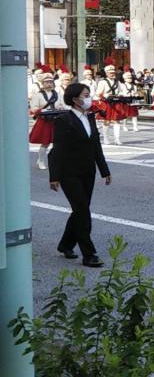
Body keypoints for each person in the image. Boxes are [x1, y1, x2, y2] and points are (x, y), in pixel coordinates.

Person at [48, 82, 112, 267]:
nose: (88, 98)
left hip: (87, 171)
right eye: (85, 95)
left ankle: (65, 244)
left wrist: (104, 170)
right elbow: (57, 150)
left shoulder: (90, 118)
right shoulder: (63, 120)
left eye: (88, 94)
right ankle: (88, 253)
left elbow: (96, 147)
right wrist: (54, 176)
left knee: (79, 210)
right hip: (69, 173)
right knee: (83, 211)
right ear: (75, 99)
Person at [29, 72, 62, 170]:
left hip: (56, 119)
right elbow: (34, 108)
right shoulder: (38, 95)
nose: (49, 84)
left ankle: (56, 161)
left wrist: (61, 107)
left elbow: (64, 105)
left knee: (58, 141)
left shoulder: (58, 94)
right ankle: (41, 160)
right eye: (47, 82)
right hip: (44, 120)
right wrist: (43, 110)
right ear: (43, 83)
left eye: (51, 82)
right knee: (45, 142)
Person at [94, 59, 125, 145]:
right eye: (110, 73)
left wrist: (120, 94)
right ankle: (106, 138)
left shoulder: (117, 82)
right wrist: (105, 95)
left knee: (117, 120)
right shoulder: (102, 82)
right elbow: (98, 93)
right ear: (107, 73)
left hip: (116, 102)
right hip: (106, 103)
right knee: (107, 121)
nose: (112, 74)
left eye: (113, 72)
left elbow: (120, 91)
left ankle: (117, 139)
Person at [119, 68, 142, 132]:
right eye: (128, 78)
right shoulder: (122, 85)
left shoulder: (134, 86)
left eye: (130, 78)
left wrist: (136, 95)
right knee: (125, 115)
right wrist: (125, 94)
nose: (129, 79)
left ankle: (135, 126)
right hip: (126, 100)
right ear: (125, 78)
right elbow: (119, 93)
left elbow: (136, 92)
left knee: (134, 114)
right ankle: (124, 126)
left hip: (133, 100)